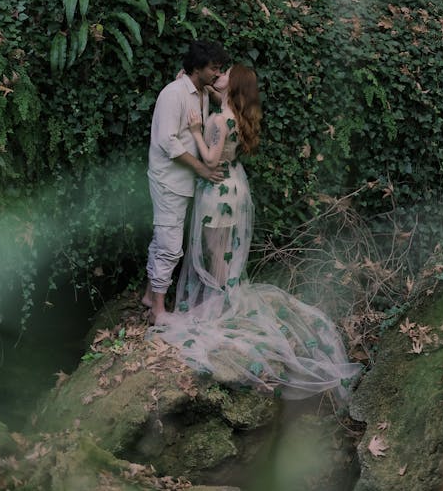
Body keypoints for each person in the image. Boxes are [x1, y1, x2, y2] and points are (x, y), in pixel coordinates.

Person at [148, 64, 361, 401]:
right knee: (222, 253)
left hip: (217, 191)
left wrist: (196, 130)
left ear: (231, 86)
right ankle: (222, 301)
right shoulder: (236, 113)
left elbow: (211, 159)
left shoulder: (219, 120)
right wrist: (191, 84)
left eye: (224, 75)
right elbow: (217, 97)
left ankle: (219, 308)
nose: (218, 77)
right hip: (235, 188)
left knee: (214, 252)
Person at [142, 39, 229, 324]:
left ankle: (148, 295)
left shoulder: (202, 92)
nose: (218, 73)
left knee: (163, 237)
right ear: (197, 68)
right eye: (214, 69)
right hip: (169, 180)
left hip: (184, 181)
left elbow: (226, 96)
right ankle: (157, 310)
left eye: (219, 69)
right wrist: (203, 171)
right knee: (170, 245)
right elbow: (169, 143)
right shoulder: (174, 94)